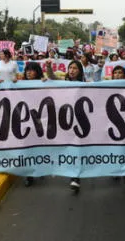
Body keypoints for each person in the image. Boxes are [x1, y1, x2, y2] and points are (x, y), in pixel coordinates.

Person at [46, 59, 86, 191]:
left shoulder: (86, 84)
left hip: (80, 120)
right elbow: (51, 77)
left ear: (80, 71)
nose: (72, 70)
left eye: (75, 68)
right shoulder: (64, 82)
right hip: (65, 120)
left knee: (77, 148)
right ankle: (69, 171)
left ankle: (75, 177)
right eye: (70, 68)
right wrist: (48, 66)